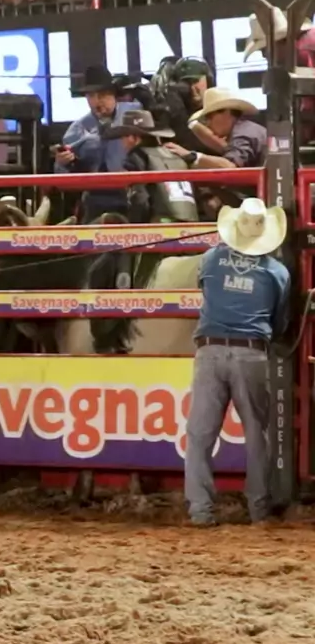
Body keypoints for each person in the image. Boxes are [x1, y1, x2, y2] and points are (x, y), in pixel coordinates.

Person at [185, 198, 291, 526]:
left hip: (210, 349)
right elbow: (280, 322)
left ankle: (200, 510)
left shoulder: (210, 259)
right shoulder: (276, 272)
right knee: (257, 433)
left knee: (200, 434)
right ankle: (258, 508)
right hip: (251, 352)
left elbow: (205, 289)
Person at [54, 65, 140, 222]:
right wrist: (62, 163)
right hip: (97, 197)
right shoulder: (78, 129)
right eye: (91, 96)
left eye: (102, 95)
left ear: (113, 95)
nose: (97, 101)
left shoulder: (136, 113)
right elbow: (62, 178)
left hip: (136, 192)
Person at [104, 109, 198, 223]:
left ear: (131, 137)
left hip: (159, 223)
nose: (122, 142)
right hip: (191, 223)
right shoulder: (176, 154)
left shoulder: (137, 156)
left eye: (122, 137)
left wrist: (136, 225)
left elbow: (139, 198)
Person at [243, 7, 315, 143]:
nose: (264, 56)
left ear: (278, 43)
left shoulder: (302, 52)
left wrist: (299, 136)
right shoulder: (308, 42)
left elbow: (308, 104)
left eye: (264, 49)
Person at [166, 87, 266, 170]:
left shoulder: (244, 133)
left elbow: (230, 166)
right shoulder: (245, 129)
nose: (208, 124)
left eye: (209, 117)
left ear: (226, 112)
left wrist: (191, 156)